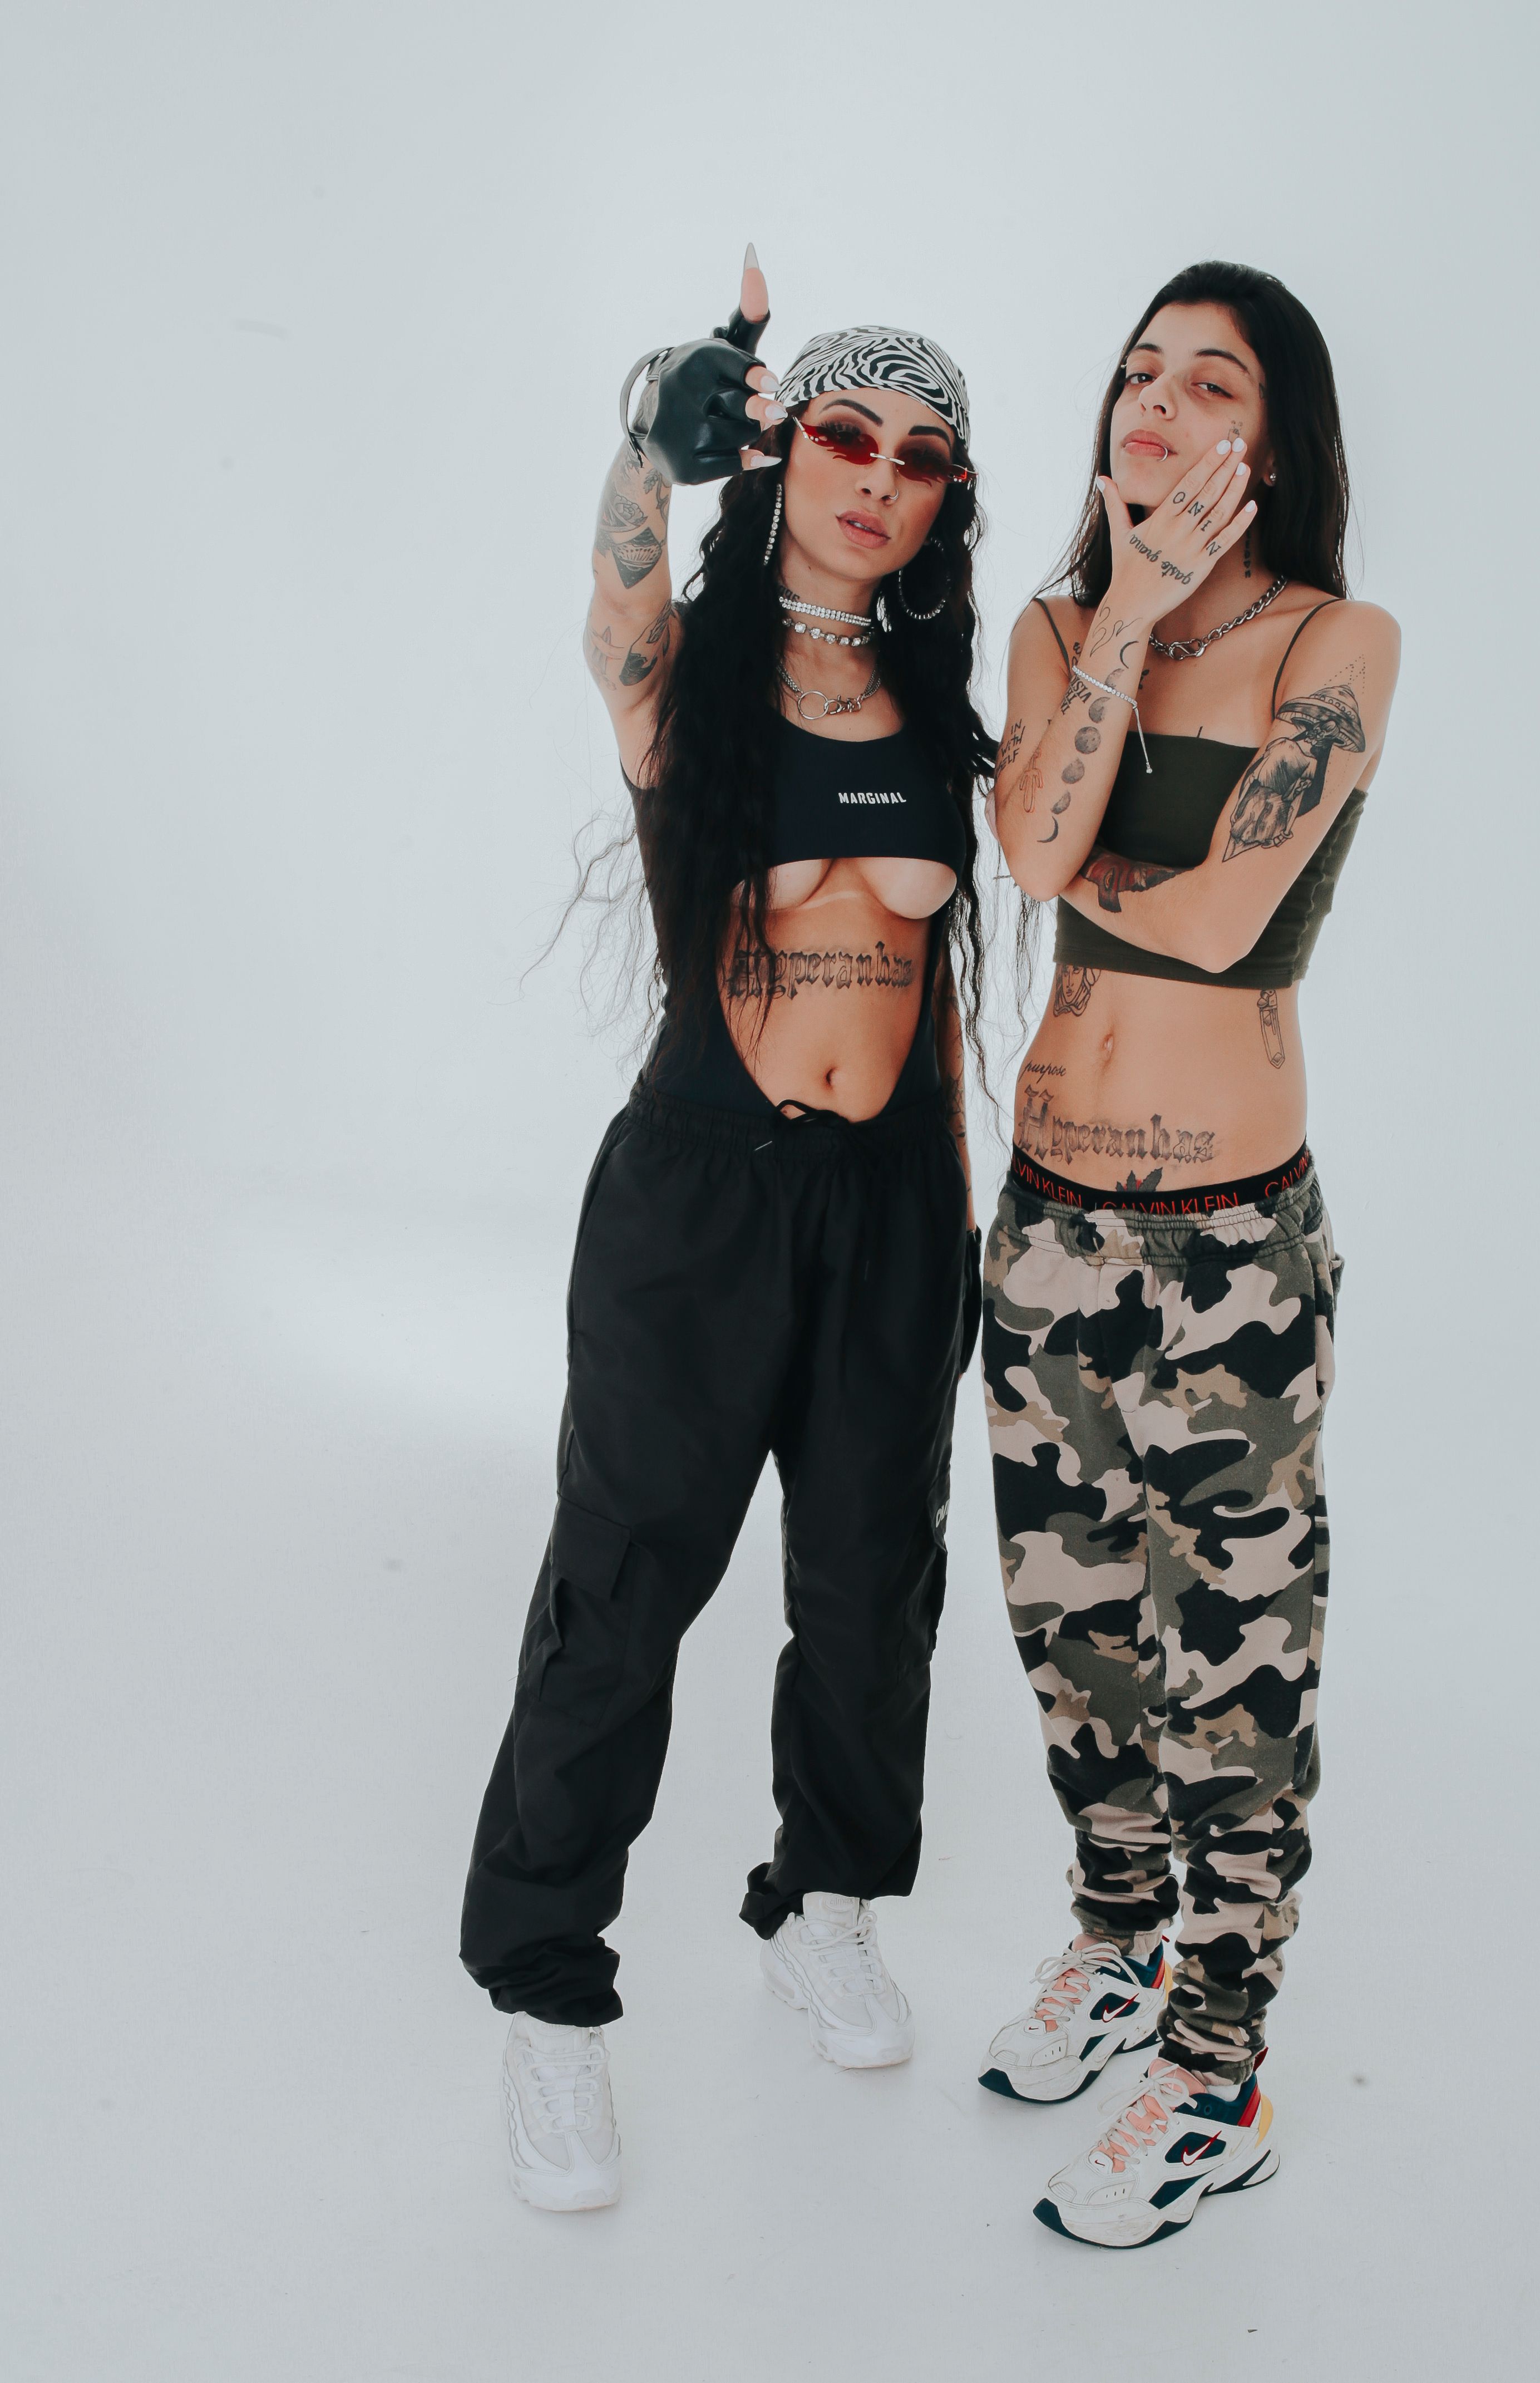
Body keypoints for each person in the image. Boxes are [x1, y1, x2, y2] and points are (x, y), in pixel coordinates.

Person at [460, 249, 991, 2212]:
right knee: (624, 1582)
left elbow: (936, 997)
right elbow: (610, 620)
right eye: (846, 433)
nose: (877, 475)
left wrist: (947, 1235)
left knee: (871, 1582)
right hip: (701, 1195)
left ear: (944, 500)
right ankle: (549, 1994)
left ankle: (823, 1902)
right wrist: (646, 445)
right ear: (786, 454)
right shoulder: (692, 670)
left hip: (890, 1200)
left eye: (920, 455)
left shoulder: (935, 702)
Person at [978, 259, 1400, 2246]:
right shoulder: (1060, 626)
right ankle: (1117, 1942)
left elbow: (1227, 922)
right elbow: (1032, 855)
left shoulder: (1337, 640)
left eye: (1207, 380)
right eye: (1137, 370)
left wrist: (1092, 856)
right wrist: (1128, 627)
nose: (1152, 403)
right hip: (1047, 1223)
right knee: (1072, 1641)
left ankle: (1217, 2071)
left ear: (1276, 438)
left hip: (1230, 1247)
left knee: (1231, 1671)